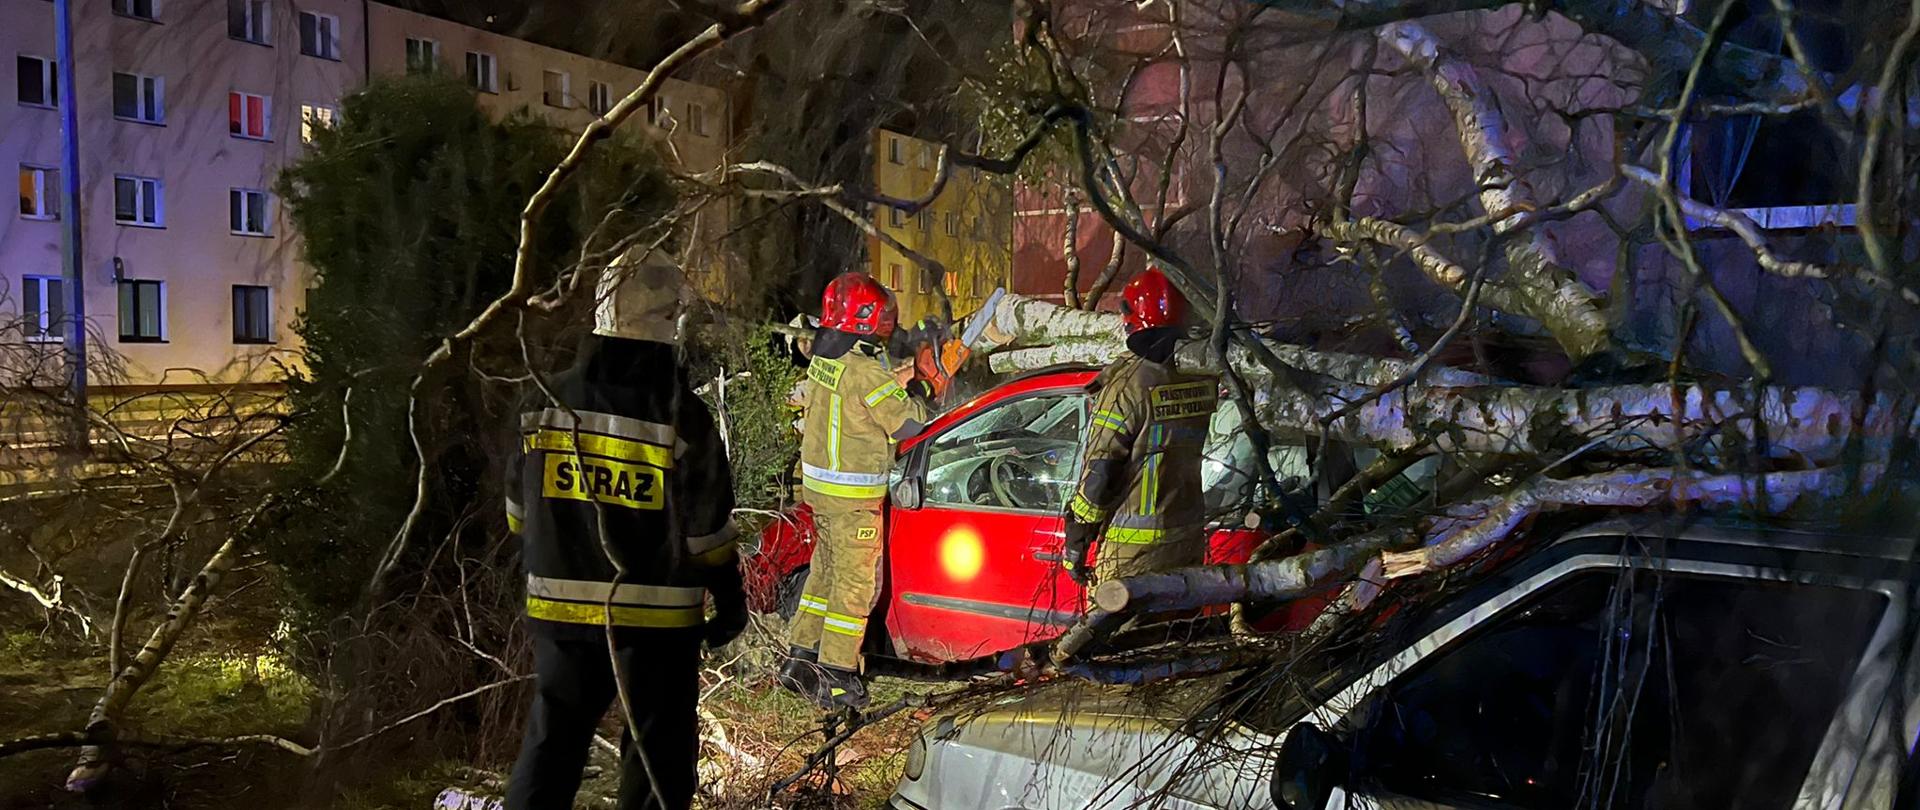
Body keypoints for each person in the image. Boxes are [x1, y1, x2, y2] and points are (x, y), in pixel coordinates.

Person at [503, 258, 747, 810]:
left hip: (561, 614)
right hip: (657, 625)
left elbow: (519, 517)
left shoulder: (543, 403)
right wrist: (730, 602)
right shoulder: (683, 418)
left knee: (551, 746)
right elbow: (707, 539)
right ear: (670, 327)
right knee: (657, 763)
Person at [778, 272, 931, 710]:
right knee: (855, 589)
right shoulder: (866, 373)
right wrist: (922, 389)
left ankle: (801, 659)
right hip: (854, 503)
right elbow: (908, 425)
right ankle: (837, 676)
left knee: (823, 576)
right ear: (865, 319)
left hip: (822, 497)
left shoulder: (826, 362)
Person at [1062, 267, 1220, 586]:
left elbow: (1101, 472)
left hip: (1134, 552)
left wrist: (1076, 544)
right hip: (1187, 539)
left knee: (1120, 636)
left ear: (1131, 316)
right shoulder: (1201, 375)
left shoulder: (1129, 385)